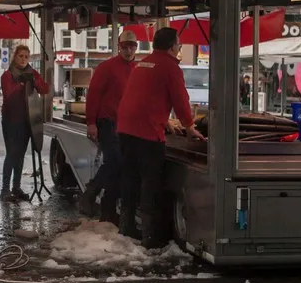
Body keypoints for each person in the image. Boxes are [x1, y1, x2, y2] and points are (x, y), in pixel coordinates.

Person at [117, 27, 205, 247]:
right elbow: (180, 100)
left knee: (130, 179)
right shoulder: (170, 67)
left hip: (126, 130)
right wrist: (189, 126)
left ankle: (126, 226)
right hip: (147, 134)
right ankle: (151, 236)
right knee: (150, 183)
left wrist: (164, 121)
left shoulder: (142, 64)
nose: (179, 47)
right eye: (179, 44)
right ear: (172, 46)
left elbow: (142, 97)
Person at [77, 30, 138, 223]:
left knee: (120, 167)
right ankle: (91, 191)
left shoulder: (137, 69)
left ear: (136, 48)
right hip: (107, 121)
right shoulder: (107, 67)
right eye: (124, 46)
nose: (128, 50)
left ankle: (108, 209)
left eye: (132, 46)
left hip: (126, 125)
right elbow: (93, 95)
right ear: (119, 47)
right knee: (115, 162)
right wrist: (91, 123)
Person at [0, 44, 50, 201]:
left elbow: (45, 89)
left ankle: (16, 187)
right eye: (20, 56)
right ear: (15, 57)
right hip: (11, 119)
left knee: (20, 155)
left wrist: (35, 81)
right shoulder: (7, 75)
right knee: (12, 154)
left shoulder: (32, 72)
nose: (23, 59)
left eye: (26, 57)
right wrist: (21, 84)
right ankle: (5, 189)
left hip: (28, 119)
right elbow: (8, 95)